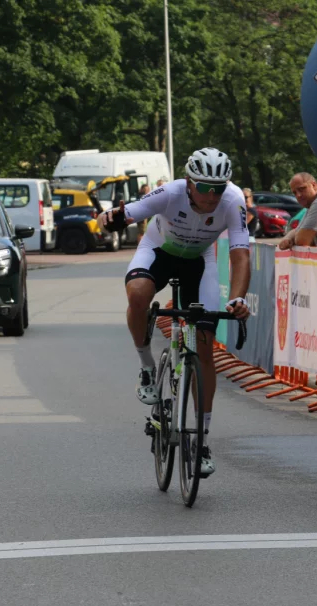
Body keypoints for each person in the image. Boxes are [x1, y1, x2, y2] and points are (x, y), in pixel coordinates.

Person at [99, 147, 251, 477]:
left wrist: (238, 300)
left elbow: (241, 256)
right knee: (138, 295)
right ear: (188, 182)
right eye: (206, 188)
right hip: (159, 251)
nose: (213, 196)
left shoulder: (234, 200)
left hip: (199, 262)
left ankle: (202, 441)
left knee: (206, 346)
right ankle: (147, 367)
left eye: (219, 188)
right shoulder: (170, 193)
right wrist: (107, 219)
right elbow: (127, 213)